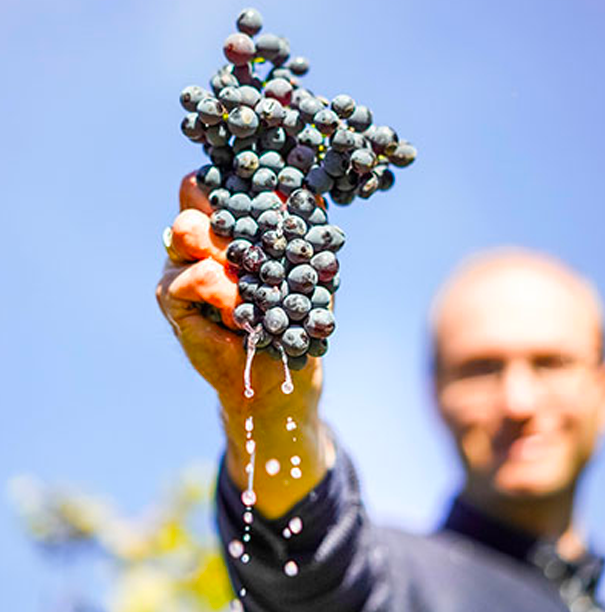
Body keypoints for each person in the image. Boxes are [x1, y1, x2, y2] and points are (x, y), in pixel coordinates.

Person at [156, 179, 605, 611]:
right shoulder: (402, 583)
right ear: (436, 393)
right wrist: (275, 409)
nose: (519, 402)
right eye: (480, 370)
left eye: (552, 364)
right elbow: (311, 570)